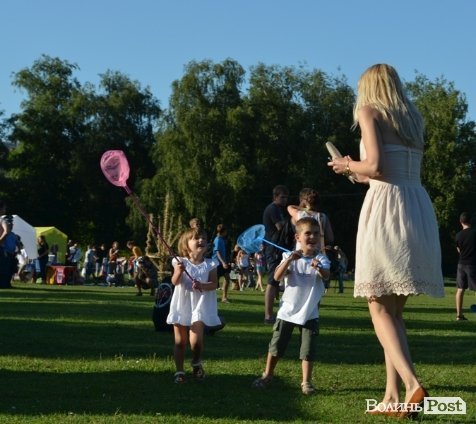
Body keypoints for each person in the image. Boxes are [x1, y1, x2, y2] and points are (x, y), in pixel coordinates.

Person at [328, 64, 444, 418]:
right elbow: (386, 169)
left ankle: (412, 384)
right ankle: (392, 395)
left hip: (386, 210)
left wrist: (347, 165)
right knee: (393, 312)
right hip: (415, 206)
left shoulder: (369, 112)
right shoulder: (412, 118)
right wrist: (358, 172)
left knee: (378, 306)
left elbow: (375, 166)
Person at [252, 217, 331, 395]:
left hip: (310, 312)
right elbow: (277, 276)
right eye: (308, 233)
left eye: (316, 234)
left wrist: (319, 268)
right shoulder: (288, 256)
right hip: (287, 311)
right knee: (276, 346)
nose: (312, 237)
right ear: (297, 237)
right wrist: (288, 261)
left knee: (308, 349)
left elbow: (326, 275)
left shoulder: (321, 258)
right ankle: (268, 375)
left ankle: (306, 382)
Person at [166, 227, 221, 383]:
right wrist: (179, 271)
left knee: (196, 342)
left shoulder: (210, 264)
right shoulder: (179, 261)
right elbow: (175, 282)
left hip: (199, 306)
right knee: (180, 342)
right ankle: (179, 371)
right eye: (196, 238)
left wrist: (202, 285)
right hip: (181, 304)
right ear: (186, 244)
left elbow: (214, 284)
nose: (201, 240)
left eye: (203, 238)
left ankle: (196, 362)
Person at [262, 185, 289, 324]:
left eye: (286, 197)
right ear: (275, 197)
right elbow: (280, 227)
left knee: (277, 281)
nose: (285, 200)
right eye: (282, 197)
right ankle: (268, 315)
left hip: (277, 248)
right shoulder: (273, 209)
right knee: (272, 281)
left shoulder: (278, 209)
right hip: (273, 248)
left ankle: (276, 313)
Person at [455, 211, 476, 321]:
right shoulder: (474, 233)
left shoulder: (458, 235)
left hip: (461, 264)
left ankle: (459, 315)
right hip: (472, 264)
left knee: (460, 289)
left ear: (460, 222)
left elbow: (459, 250)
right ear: (471, 221)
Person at [212, 224, 231, 302]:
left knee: (227, 278)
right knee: (214, 282)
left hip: (222, 262)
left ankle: (224, 297)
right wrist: (223, 262)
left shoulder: (221, 239)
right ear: (224, 231)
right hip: (217, 263)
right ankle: (212, 297)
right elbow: (217, 252)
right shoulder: (218, 239)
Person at [0, 201, 17, 288]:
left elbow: (6, 231)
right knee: (3, 266)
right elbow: (6, 231)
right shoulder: (2, 219)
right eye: (4, 208)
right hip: (1, 247)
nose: (5, 210)